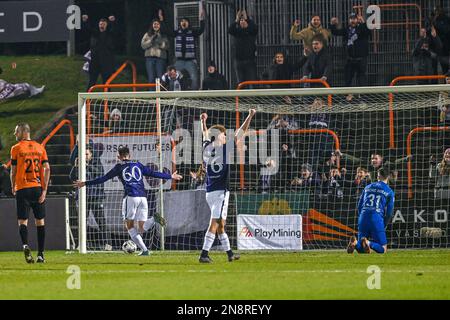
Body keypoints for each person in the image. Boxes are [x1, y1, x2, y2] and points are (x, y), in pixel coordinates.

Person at [73, 146, 182, 256]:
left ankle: (145, 249)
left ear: (118, 156)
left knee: (129, 226)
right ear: (129, 156)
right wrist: (170, 176)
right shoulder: (138, 165)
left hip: (131, 197)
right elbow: (153, 173)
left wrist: (85, 183)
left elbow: (103, 178)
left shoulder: (118, 167)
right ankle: (152, 223)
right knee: (142, 227)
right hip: (143, 198)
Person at [199, 109, 256, 263]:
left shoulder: (206, 148)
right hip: (220, 192)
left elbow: (205, 134)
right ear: (219, 136)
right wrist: (250, 116)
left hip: (209, 192)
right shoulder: (225, 149)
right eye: (224, 135)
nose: (226, 137)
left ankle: (230, 254)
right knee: (215, 222)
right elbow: (241, 132)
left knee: (221, 224)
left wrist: (203, 122)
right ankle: (204, 254)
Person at [10, 123, 51, 263]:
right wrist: (44, 190)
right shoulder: (40, 147)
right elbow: (47, 169)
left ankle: (26, 245)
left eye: (16, 132)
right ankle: (40, 255)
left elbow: (13, 171)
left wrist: (12, 186)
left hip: (22, 188)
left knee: (23, 222)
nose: (15, 134)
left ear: (22, 132)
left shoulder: (15, 149)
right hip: (37, 187)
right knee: (40, 222)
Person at [70, 145, 110, 250]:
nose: (85, 156)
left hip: (96, 197)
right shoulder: (79, 165)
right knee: (82, 221)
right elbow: (72, 177)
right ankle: (81, 244)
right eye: (83, 154)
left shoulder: (97, 164)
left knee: (101, 221)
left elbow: (99, 173)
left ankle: (108, 244)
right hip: (84, 198)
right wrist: (75, 166)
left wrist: (86, 165)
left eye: (87, 154)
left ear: (91, 155)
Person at [347, 167, 394, 254]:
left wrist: (361, 217)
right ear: (388, 177)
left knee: (362, 249)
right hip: (376, 217)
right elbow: (389, 213)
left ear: (377, 176)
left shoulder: (367, 187)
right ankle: (368, 242)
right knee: (383, 249)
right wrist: (384, 224)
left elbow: (359, 206)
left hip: (363, 216)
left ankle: (355, 243)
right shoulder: (389, 191)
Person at [329, 13, 371, 101]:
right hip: (350, 59)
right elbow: (336, 32)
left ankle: (362, 97)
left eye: (354, 19)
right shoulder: (346, 30)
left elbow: (368, 32)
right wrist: (333, 25)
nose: (353, 21)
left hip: (361, 59)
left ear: (357, 20)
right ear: (349, 20)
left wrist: (363, 23)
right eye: (351, 19)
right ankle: (348, 96)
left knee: (361, 78)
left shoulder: (362, 28)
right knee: (348, 78)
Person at [164, 11, 205, 90]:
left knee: (194, 78)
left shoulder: (192, 32)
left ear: (188, 23)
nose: (183, 22)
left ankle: (193, 96)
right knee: (173, 76)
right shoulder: (177, 32)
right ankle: (173, 95)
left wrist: (202, 20)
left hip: (190, 60)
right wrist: (162, 21)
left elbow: (201, 30)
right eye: (182, 21)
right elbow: (167, 31)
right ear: (180, 23)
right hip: (179, 60)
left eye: (185, 21)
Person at [84, 15, 118, 91]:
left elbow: (114, 30)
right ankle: (87, 100)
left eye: (104, 23)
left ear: (106, 24)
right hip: (95, 62)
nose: (102, 24)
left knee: (106, 82)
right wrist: (86, 21)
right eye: (100, 23)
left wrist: (112, 22)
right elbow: (88, 29)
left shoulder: (109, 34)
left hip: (106, 62)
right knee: (92, 81)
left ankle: (107, 101)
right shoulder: (95, 34)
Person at [228, 9, 258, 86]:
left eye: (243, 20)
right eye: (241, 21)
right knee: (240, 83)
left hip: (250, 60)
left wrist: (247, 19)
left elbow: (255, 28)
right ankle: (241, 98)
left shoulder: (251, 32)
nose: (242, 22)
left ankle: (252, 98)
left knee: (252, 82)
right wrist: (236, 20)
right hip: (238, 60)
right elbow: (230, 30)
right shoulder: (237, 32)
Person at [141, 18, 169, 85]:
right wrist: (151, 40)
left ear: (160, 25)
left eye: (158, 24)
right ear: (152, 25)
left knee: (161, 78)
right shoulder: (147, 34)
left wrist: (159, 42)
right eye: (154, 24)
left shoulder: (163, 35)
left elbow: (167, 46)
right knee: (151, 78)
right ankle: (152, 95)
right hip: (150, 58)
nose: (156, 25)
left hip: (160, 59)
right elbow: (143, 45)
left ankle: (161, 95)